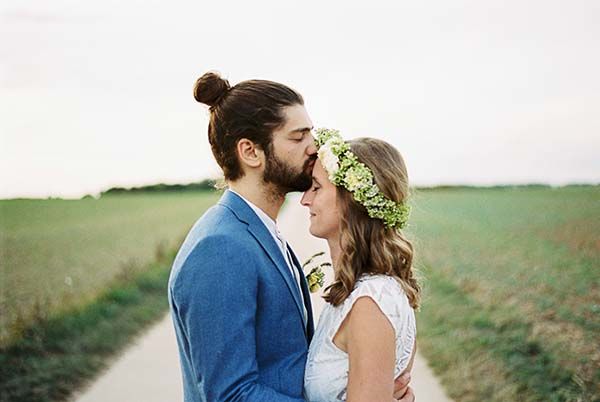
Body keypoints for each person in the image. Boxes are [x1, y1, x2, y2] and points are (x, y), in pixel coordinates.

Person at [168, 72, 414, 401]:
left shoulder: (263, 233)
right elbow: (230, 395)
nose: (314, 148)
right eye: (298, 138)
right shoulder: (220, 247)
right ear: (251, 152)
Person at [301, 129, 420, 402]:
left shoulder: (371, 303)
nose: (305, 199)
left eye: (316, 187)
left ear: (350, 200)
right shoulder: (358, 293)